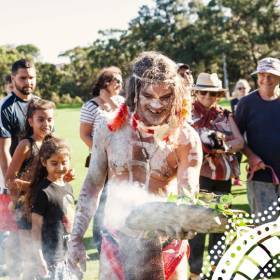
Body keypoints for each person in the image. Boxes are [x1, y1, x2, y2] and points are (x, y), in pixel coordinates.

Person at [68, 51, 203, 279]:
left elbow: (188, 192)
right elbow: (92, 185)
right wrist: (75, 239)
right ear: (134, 92)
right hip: (116, 241)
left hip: (167, 247)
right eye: (149, 95)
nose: (157, 104)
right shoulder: (109, 130)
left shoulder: (185, 138)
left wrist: (187, 217)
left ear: (177, 94)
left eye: (166, 96)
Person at [188, 72, 244, 280]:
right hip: (199, 177)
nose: (207, 97)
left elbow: (239, 142)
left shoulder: (225, 115)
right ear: (196, 93)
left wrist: (223, 147)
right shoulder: (187, 114)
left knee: (220, 223)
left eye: (212, 94)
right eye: (203, 92)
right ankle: (194, 273)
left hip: (223, 179)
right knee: (198, 225)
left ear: (218, 95)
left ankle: (216, 270)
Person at [5, 99, 55, 279]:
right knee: (30, 257)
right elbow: (10, 179)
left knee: (47, 255)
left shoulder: (52, 144)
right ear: (30, 121)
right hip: (26, 208)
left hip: (46, 208)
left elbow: (54, 174)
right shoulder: (26, 145)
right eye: (41, 119)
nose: (46, 124)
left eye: (50, 119)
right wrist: (31, 189)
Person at [80, 66, 124, 252]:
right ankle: (100, 243)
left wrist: (112, 104)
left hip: (123, 163)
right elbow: (84, 135)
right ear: (106, 83)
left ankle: (119, 239)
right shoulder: (90, 106)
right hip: (101, 163)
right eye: (118, 81)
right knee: (101, 202)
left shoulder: (122, 102)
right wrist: (101, 152)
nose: (121, 85)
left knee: (120, 200)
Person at [0, 58, 37, 280]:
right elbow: (3, 152)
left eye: (31, 77)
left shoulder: (41, 105)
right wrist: (10, 184)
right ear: (13, 79)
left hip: (37, 182)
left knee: (36, 235)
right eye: (23, 78)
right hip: (11, 185)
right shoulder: (5, 107)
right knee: (13, 237)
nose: (28, 82)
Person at [235, 57, 280, 216]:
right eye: (262, 75)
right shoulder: (246, 104)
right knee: (264, 230)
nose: (265, 79)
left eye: (270, 75)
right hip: (261, 176)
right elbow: (237, 137)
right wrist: (251, 156)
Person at [31, 136, 75, 279]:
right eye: (54, 163)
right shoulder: (43, 192)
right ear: (44, 162)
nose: (60, 168)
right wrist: (39, 258)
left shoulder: (68, 187)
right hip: (51, 260)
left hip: (67, 256)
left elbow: (70, 221)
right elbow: (36, 228)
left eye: (64, 162)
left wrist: (76, 249)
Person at [230, 79, 251, 186]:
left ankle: (253, 176)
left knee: (252, 154)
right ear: (236, 90)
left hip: (251, 132)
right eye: (240, 88)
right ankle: (237, 178)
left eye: (244, 88)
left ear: (248, 88)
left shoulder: (252, 100)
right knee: (238, 156)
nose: (242, 90)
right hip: (238, 132)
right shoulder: (233, 101)